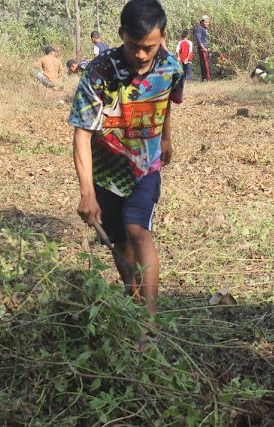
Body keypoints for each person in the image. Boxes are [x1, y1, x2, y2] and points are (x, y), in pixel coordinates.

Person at [69, 0, 184, 347]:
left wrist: (165, 138)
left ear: (162, 37)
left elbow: (164, 103)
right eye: (134, 46)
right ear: (120, 36)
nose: (141, 55)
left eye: (149, 47)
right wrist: (87, 192)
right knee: (119, 238)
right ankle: (131, 295)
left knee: (139, 231)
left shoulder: (171, 68)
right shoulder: (99, 72)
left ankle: (148, 322)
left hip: (144, 165)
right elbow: (81, 133)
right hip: (105, 170)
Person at [195, 15, 212, 81]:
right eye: (206, 22)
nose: (207, 24)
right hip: (202, 49)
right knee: (204, 65)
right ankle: (205, 79)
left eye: (208, 22)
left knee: (209, 64)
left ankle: (209, 78)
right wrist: (203, 47)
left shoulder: (206, 29)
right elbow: (198, 38)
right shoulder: (200, 28)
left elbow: (208, 39)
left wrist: (209, 49)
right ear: (202, 22)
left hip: (207, 48)